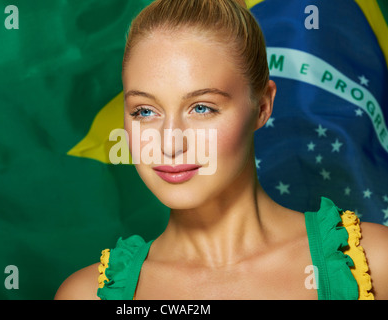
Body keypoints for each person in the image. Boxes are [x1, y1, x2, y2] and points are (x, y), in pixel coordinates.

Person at [55, 0, 388, 300]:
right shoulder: (86, 295)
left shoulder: (376, 263)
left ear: (262, 106)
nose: (170, 143)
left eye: (201, 108)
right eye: (145, 111)